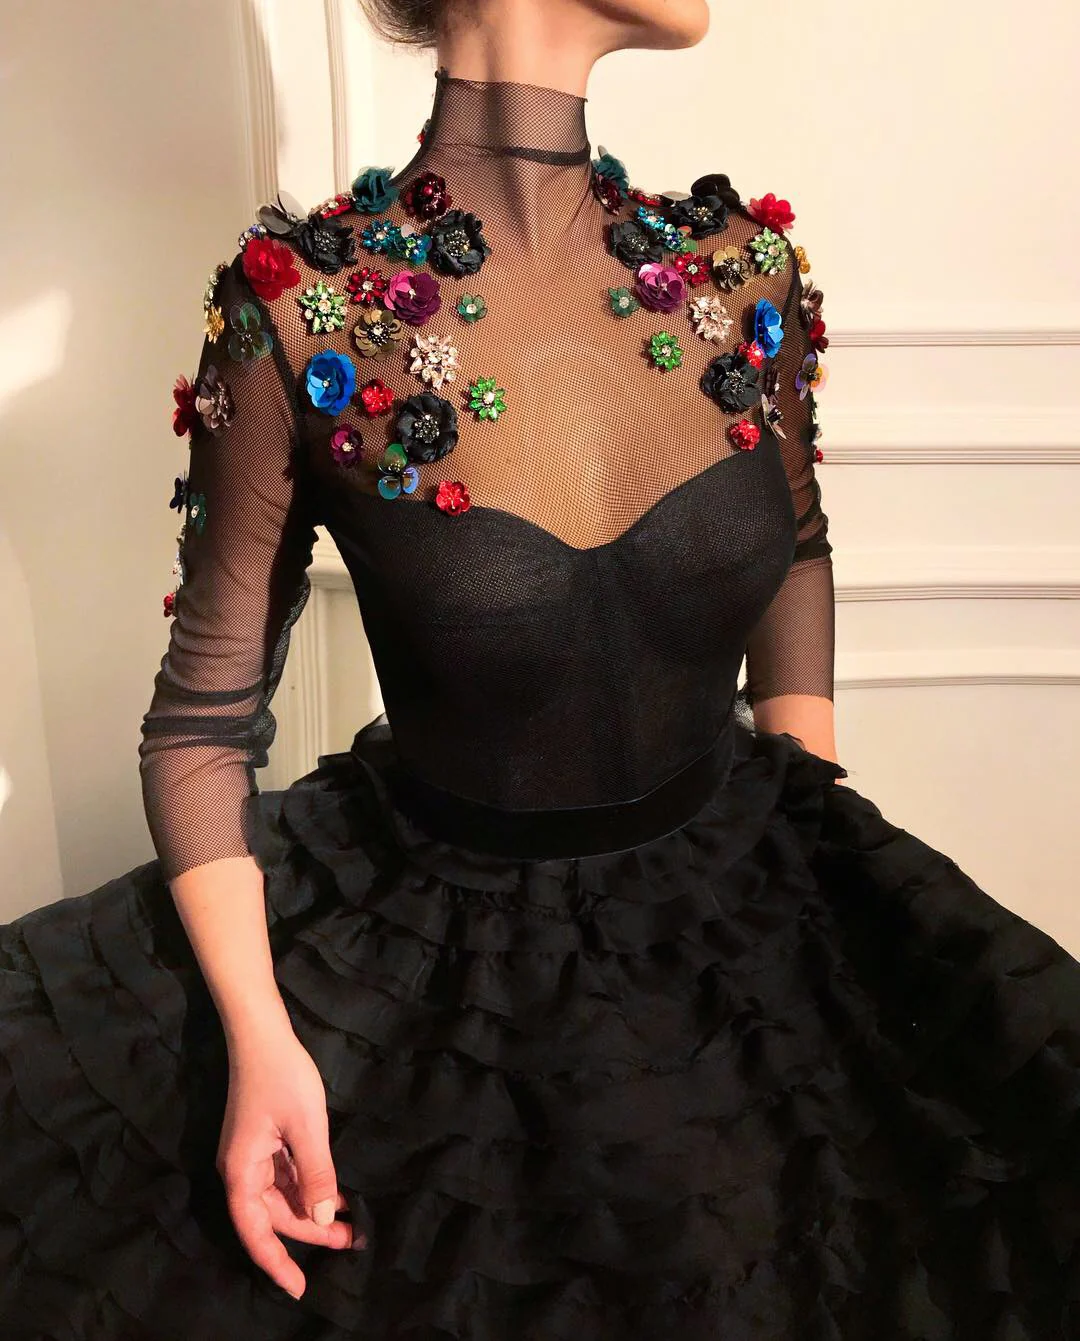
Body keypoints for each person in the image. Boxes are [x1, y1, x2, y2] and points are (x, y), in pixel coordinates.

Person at [2, 1, 1079, 1336]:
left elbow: (794, 550)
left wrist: (816, 870)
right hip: (441, 978)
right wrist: (262, 1042)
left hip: (741, 929)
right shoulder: (303, 311)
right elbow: (202, 727)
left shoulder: (743, 275)